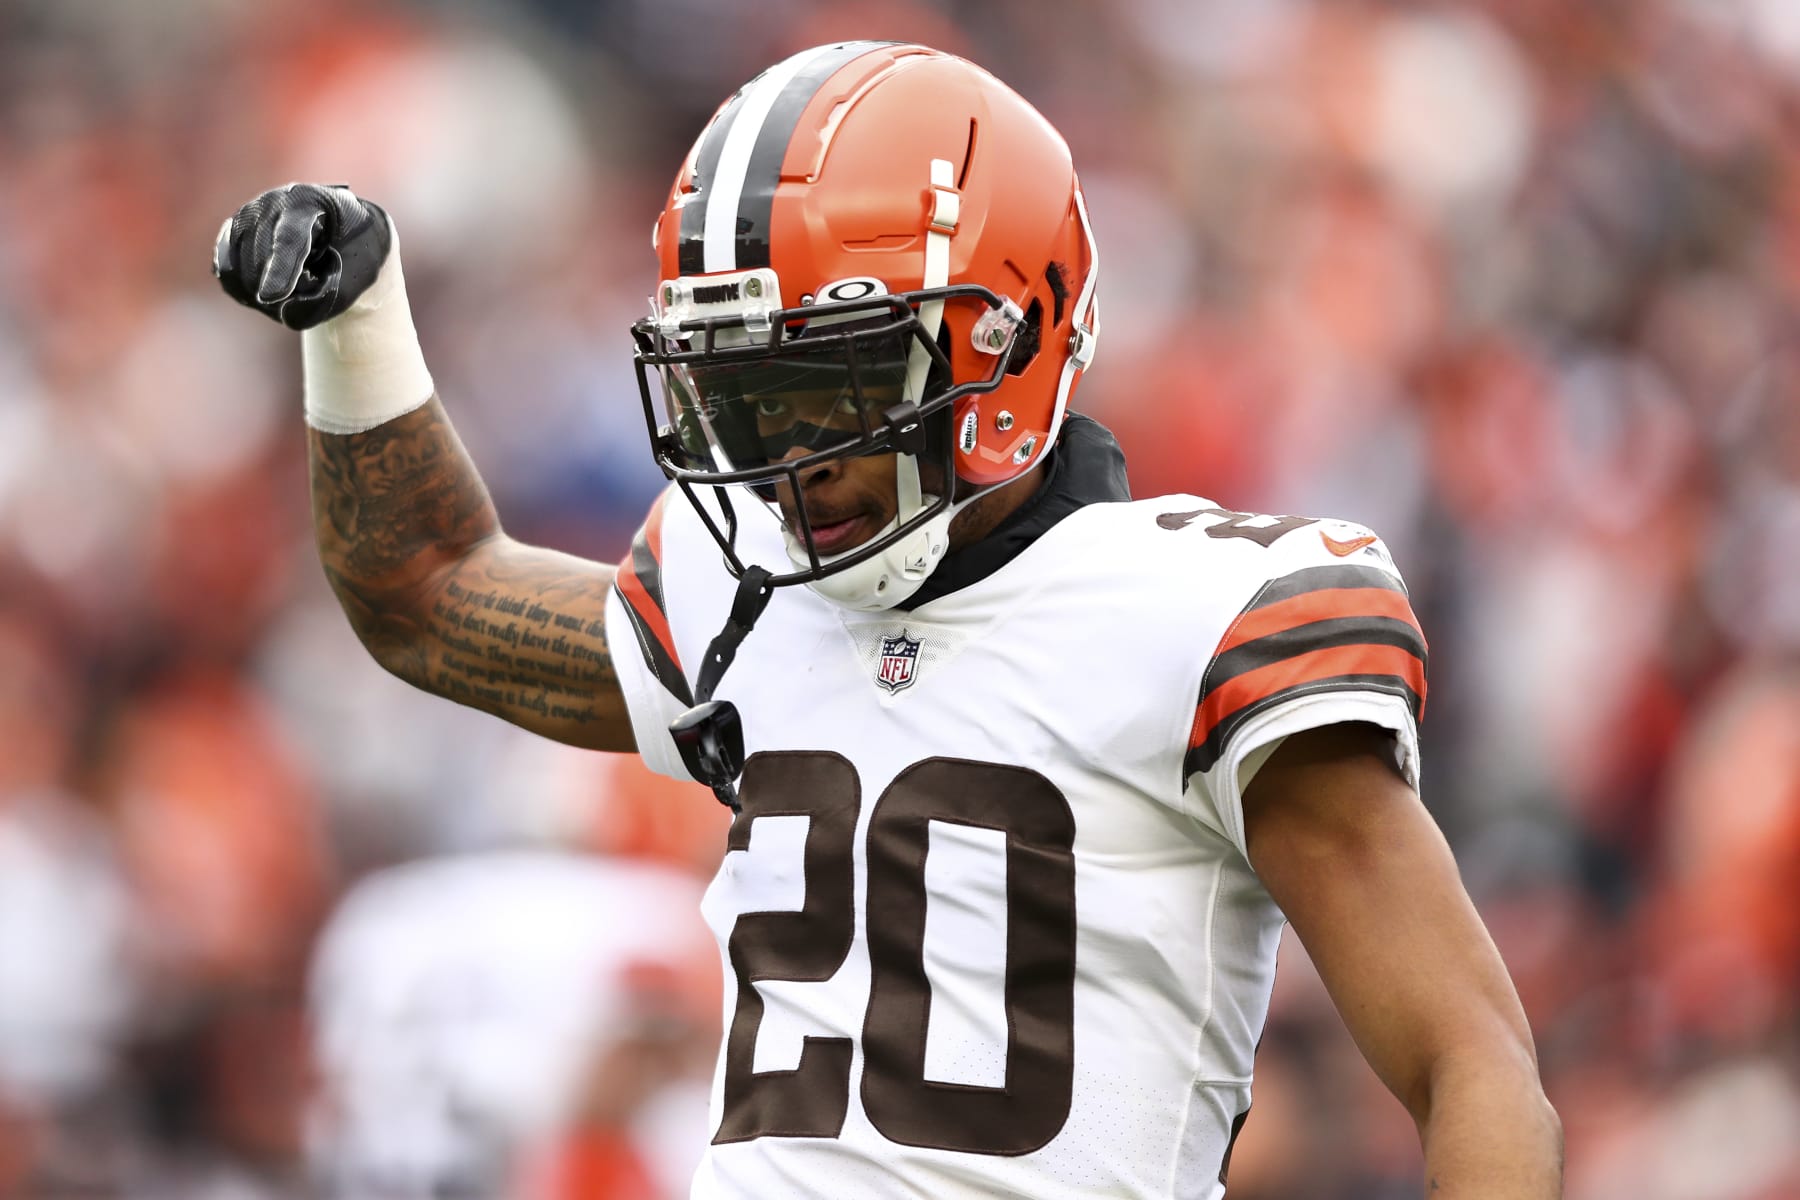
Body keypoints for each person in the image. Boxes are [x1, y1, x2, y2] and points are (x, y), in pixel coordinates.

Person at [213, 39, 1561, 1199]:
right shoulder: (741, 595)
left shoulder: (1202, 612)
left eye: (829, 389)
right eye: (742, 399)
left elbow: (1473, 1064)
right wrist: (355, 318)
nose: (787, 459)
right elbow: (427, 596)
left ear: (1002, 348)